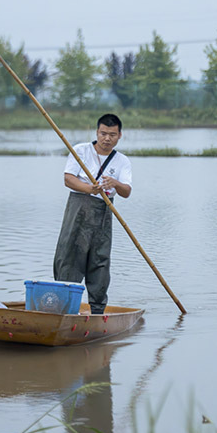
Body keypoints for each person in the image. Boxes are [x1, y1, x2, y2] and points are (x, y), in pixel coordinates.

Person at [53, 113, 132, 315]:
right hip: (78, 209)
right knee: (69, 257)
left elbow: (126, 192)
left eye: (112, 134)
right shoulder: (80, 150)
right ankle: (65, 307)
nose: (107, 139)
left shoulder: (122, 161)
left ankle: (97, 310)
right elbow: (68, 179)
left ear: (119, 135)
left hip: (103, 212)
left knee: (100, 259)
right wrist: (90, 189)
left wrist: (114, 183)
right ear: (97, 132)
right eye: (103, 133)